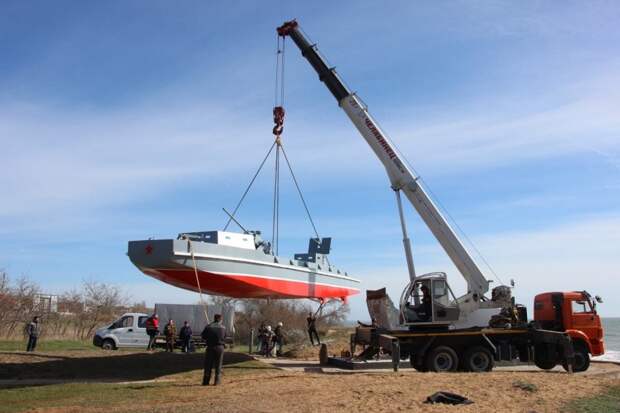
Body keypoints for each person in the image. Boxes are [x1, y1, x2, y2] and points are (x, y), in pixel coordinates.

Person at [201, 314, 226, 386]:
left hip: (210, 347)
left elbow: (203, 336)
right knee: (218, 365)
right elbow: (224, 337)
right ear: (220, 319)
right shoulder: (223, 328)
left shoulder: (208, 327)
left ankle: (206, 381)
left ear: (214, 318)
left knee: (208, 365)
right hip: (220, 348)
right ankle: (217, 381)